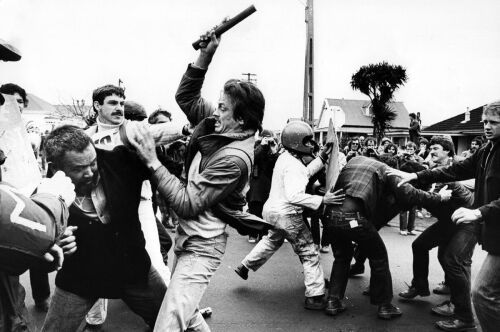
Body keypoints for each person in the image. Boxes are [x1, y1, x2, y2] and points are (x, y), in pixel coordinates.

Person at [128, 31, 269, 332]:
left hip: (203, 249)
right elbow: (187, 97)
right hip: (188, 239)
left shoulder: (234, 159)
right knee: (187, 317)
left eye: (222, 108)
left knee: (167, 326)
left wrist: (152, 160)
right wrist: (206, 54)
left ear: (242, 120)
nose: (214, 111)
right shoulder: (220, 123)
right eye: (218, 105)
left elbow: (187, 203)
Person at [40, 125, 168, 331]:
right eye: (79, 168)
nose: (90, 172)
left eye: (93, 162)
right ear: (54, 167)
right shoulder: (44, 196)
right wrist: (54, 246)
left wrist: (188, 128)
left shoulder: (119, 162)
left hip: (134, 268)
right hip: (80, 278)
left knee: (171, 322)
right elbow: (38, 260)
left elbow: (160, 150)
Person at [393, 100, 500, 332]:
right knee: (440, 255)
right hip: (463, 220)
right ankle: (451, 301)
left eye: (494, 122)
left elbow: (448, 186)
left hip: (469, 219)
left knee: (477, 286)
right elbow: (456, 170)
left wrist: (479, 212)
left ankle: (463, 315)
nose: (487, 127)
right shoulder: (487, 150)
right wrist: (417, 177)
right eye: (485, 122)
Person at [322, 155, 452, 320]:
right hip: (353, 217)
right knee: (379, 258)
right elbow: (409, 194)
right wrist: (439, 197)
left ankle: (333, 301)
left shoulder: (354, 161)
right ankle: (384, 306)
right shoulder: (387, 170)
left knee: (341, 257)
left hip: (330, 216)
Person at [233, 121, 342, 310]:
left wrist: (322, 157)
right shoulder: (294, 165)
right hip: (288, 214)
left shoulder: (285, 158)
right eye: (307, 141)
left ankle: (245, 266)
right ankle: (315, 295)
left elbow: (305, 173)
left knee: (271, 240)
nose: (311, 145)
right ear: (297, 142)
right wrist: (323, 200)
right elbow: (295, 195)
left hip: (272, 211)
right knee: (309, 252)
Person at [0, 82, 52, 311]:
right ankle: (13, 303)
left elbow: (34, 147)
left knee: (37, 243)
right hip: (6, 196)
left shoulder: (26, 128)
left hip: (30, 192)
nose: (15, 106)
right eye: (8, 101)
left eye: (19, 101)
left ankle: (42, 296)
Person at [246, 129, 279, 243]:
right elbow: (253, 159)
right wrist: (261, 145)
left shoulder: (272, 149)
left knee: (266, 211)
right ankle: (253, 234)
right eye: (266, 138)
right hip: (256, 185)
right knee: (255, 209)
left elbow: (277, 165)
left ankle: (264, 233)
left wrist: (275, 152)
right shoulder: (255, 147)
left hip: (268, 186)